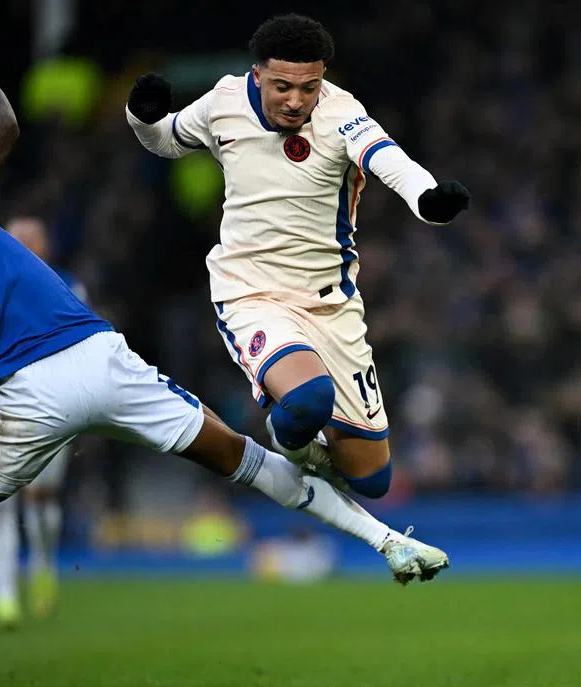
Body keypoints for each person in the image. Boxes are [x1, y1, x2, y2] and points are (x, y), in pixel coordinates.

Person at [0, 35, 448, 687]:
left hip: (19, 401)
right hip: (94, 358)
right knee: (242, 459)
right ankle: (388, 540)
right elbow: (3, 128)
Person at [126, 14, 470, 500]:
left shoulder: (342, 112)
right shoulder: (224, 101)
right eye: (283, 86)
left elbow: (389, 161)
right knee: (309, 399)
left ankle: (301, 436)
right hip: (252, 294)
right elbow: (165, 139)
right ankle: (288, 441)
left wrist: (428, 200)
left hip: (332, 304)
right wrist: (141, 116)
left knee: (371, 480)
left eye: (309, 87)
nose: (296, 100)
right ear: (258, 74)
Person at [0, 216, 76, 628]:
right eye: (14, 240)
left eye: (29, 241)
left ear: (45, 247)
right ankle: (4, 594)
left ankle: (42, 561)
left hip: (50, 404)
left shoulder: (67, 288)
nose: (21, 247)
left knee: (41, 497)